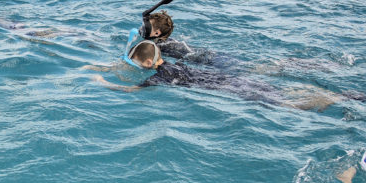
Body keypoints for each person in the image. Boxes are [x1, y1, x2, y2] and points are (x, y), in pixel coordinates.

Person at [85, 39, 344, 110]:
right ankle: (323, 96)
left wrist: (103, 82)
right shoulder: (174, 65)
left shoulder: (161, 77)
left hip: (226, 89)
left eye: (138, 64)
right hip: (227, 80)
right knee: (277, 91)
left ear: (150, 62)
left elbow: (130, 91)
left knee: (286, 105)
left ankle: (326, 100)